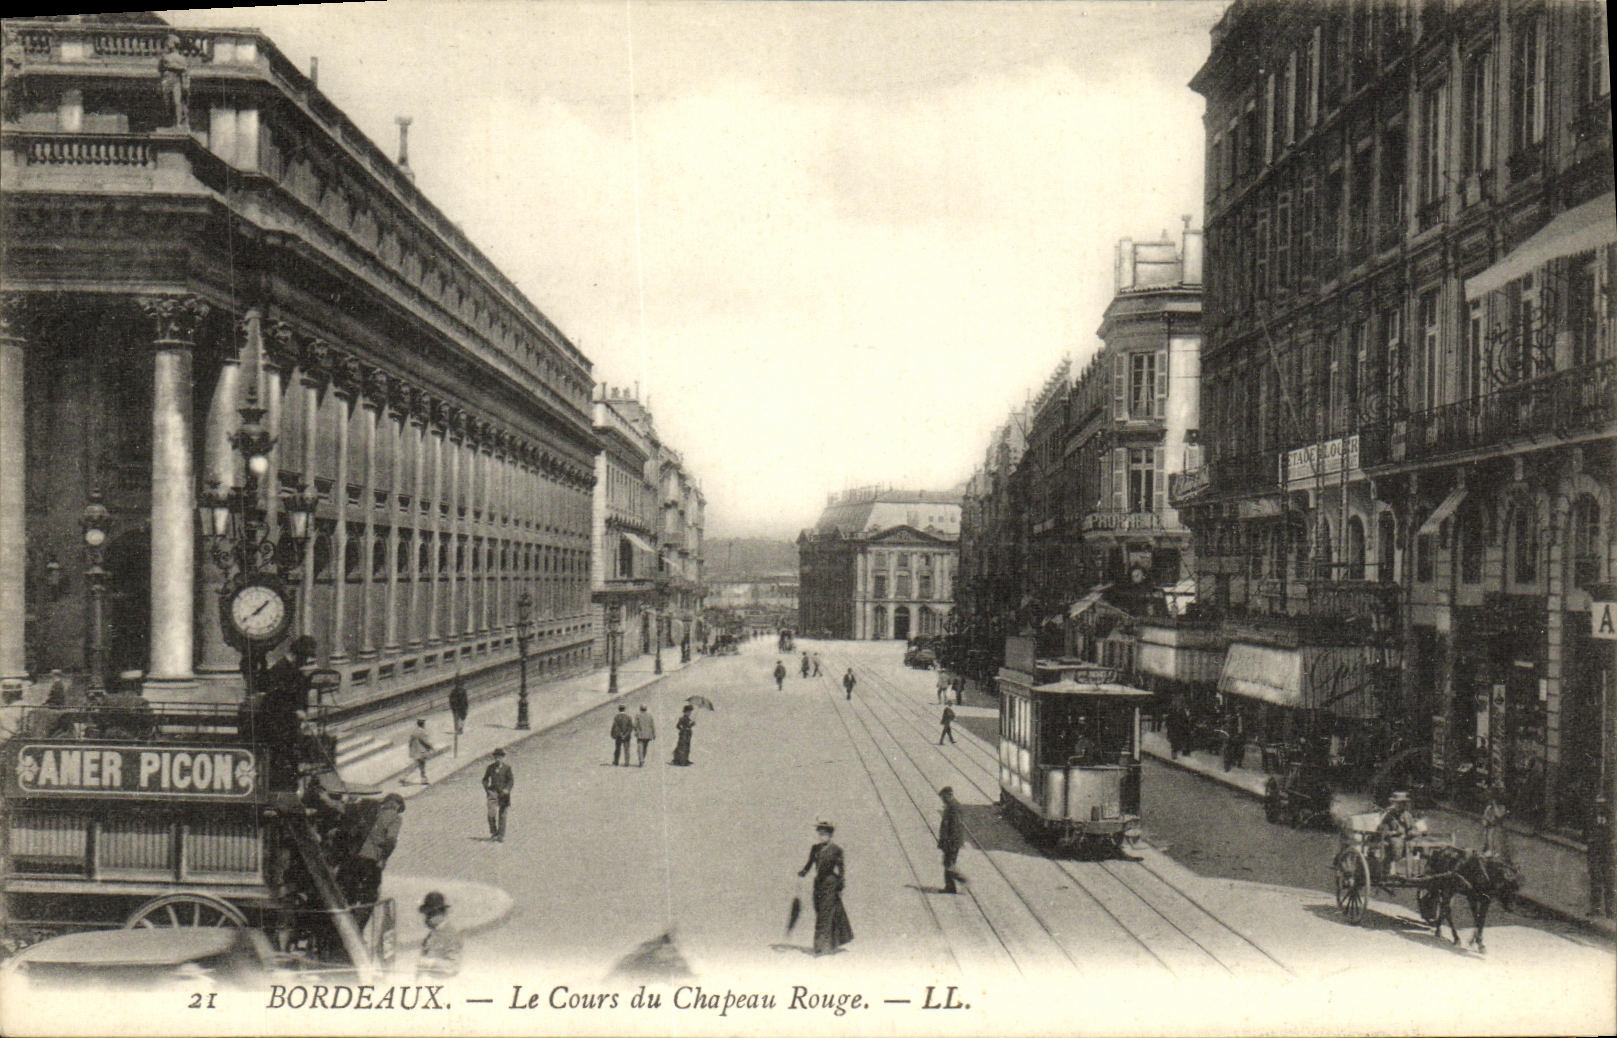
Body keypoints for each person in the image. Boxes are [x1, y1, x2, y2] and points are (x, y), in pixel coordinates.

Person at [344, 792, 404, 926]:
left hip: (355, 858)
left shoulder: (371, 812)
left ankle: (346, 924)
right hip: (371, 860)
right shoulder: (395, 818)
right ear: (397, 806)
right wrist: (383, 859)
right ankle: (357, 929)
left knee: (350, 894)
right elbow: (391, 841)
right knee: (370, 897)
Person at [797, 821, 854, 955]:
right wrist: (803, 872)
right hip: (818, 884)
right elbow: (810, 863)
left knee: (825, 915)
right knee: (820, 912)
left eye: (825, 834)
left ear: (830, 835)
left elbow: (841, 869)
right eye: (820, 834)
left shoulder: (836, 850)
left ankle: (822, 948)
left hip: (830, 884)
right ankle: (826, 946)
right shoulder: (815, 848)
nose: (822, 836)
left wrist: (840, 885)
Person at [416, 891, 463, 978]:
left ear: (442, 914)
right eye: (427, 914)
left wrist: (429, 963)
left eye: (431, 914)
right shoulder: (433, 933)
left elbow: (453, 967)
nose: (426, 918)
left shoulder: (451, 935)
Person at [1377, 790, 1417, 877]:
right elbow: (1382, 829)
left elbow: (1413, 829)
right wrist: (1393, 833)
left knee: (1412, 845)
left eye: (1402, 803)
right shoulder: (1389, 815)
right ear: (1394, 804)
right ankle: (1390, 870)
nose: (1399, 805)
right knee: (1395, 843)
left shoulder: (1407, 815)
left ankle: (1410, 871)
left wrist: (1410, 833)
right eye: (1397, 803)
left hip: (1406, 839)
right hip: (1392, 839)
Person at [937, 787, 968, 893]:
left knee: (949, 864)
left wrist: (950, 842)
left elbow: (955, 827)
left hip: (952, 842)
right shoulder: (951, 806)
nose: (942, 800)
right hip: (950, 841)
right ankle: (950, 887)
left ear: (949, 795)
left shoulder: (954, 808)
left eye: (943, 797)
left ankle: (963, 879)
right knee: (947, 863)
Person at [481, 747, 514, 841]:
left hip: (503, 793)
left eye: (500, 757)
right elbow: (485, 779)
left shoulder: (507, 768)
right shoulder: (490, 768)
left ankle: (501, 835)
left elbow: (511, 781)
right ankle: (493, 831)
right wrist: (486, 788)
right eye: (496, 757)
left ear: (503, 758)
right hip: (493, 792)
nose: (498, 759)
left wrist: (507, 789)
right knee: (491, 812)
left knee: (503, 814)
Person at [1588, 794, 1612, 918]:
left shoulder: (1610, 818)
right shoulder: (1594, 817)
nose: (1600, 808)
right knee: (1598, 879)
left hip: (1604, 851)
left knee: (1607, 880)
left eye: (1601, 805)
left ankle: (1609, 911)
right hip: (1599, 851)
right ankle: (1599, 909)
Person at [158, 34, 189, 127]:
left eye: (169, 42)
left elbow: (184, 70)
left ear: (174, 44)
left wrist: (185, 85)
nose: (167, 45)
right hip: (167, 81)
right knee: (166, 102)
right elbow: (162, 67)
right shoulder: (165, 57)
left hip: (176, 81)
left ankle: (178, 122)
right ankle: (169, 122)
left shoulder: (181, 58)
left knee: (176, 101)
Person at [1481, 784, 1510, 860]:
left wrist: (1494, 805)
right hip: (1489, 827)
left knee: (1494, 842)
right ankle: (1488, 851)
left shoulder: (1502, 807)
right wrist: (1485, 820)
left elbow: (1499, 815)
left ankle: (1493, 853)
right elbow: (1485, 816)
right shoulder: (1489, 807)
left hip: (1496, 829)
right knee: (1487, 839)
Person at [408, 718, 435, 785]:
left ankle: (424, 779)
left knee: (421, 765)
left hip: (416, 751)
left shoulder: (414, 731)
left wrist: (411, 750)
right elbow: (426, 741)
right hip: (421, 751)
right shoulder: (422, 732)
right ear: (423, 724)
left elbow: (410, 742)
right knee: (417, 765)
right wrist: (432, 747)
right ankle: (404, 777)